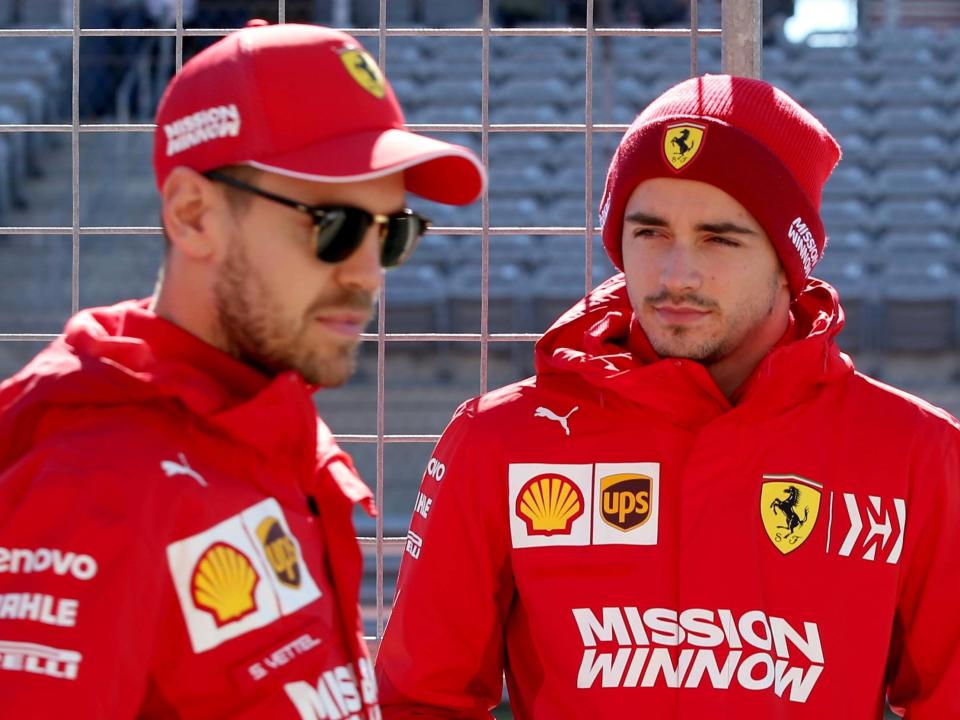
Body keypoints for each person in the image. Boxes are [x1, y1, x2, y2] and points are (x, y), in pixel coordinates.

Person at [375, 74, 960, 719]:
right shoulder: (501, 439)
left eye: (720, 238)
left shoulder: (915, 453)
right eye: (649, 232)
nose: (675, 275)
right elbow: (420, 699)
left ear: (789, 260)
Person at [0, 21, 484, 718]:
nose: (369, 274)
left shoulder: (265, 423)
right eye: (334, 226)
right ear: (194, 216)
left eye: (392, 233)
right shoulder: (90, 478)